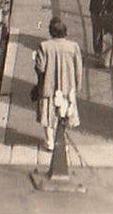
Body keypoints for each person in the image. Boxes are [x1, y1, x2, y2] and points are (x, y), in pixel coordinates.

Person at [34, 16, 83, 152]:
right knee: (65, 114)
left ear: (51, 32)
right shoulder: (73, 47)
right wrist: (77, 87)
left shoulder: (44, 46)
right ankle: (62, 140)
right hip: (68, 87)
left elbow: (40, 68)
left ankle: (49, 141)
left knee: (48, 115)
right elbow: (79, 69)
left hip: (48, 87)